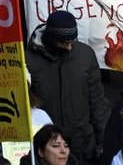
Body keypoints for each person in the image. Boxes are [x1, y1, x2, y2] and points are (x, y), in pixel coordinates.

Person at [27, 10, 108, 163]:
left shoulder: (85, 55)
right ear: (50, 37)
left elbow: (98, 102)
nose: (69, 47)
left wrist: (104, 140)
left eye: (72, 41)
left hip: (83, 146)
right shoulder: (28, 60)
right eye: (64, 43)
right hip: (48, 150)